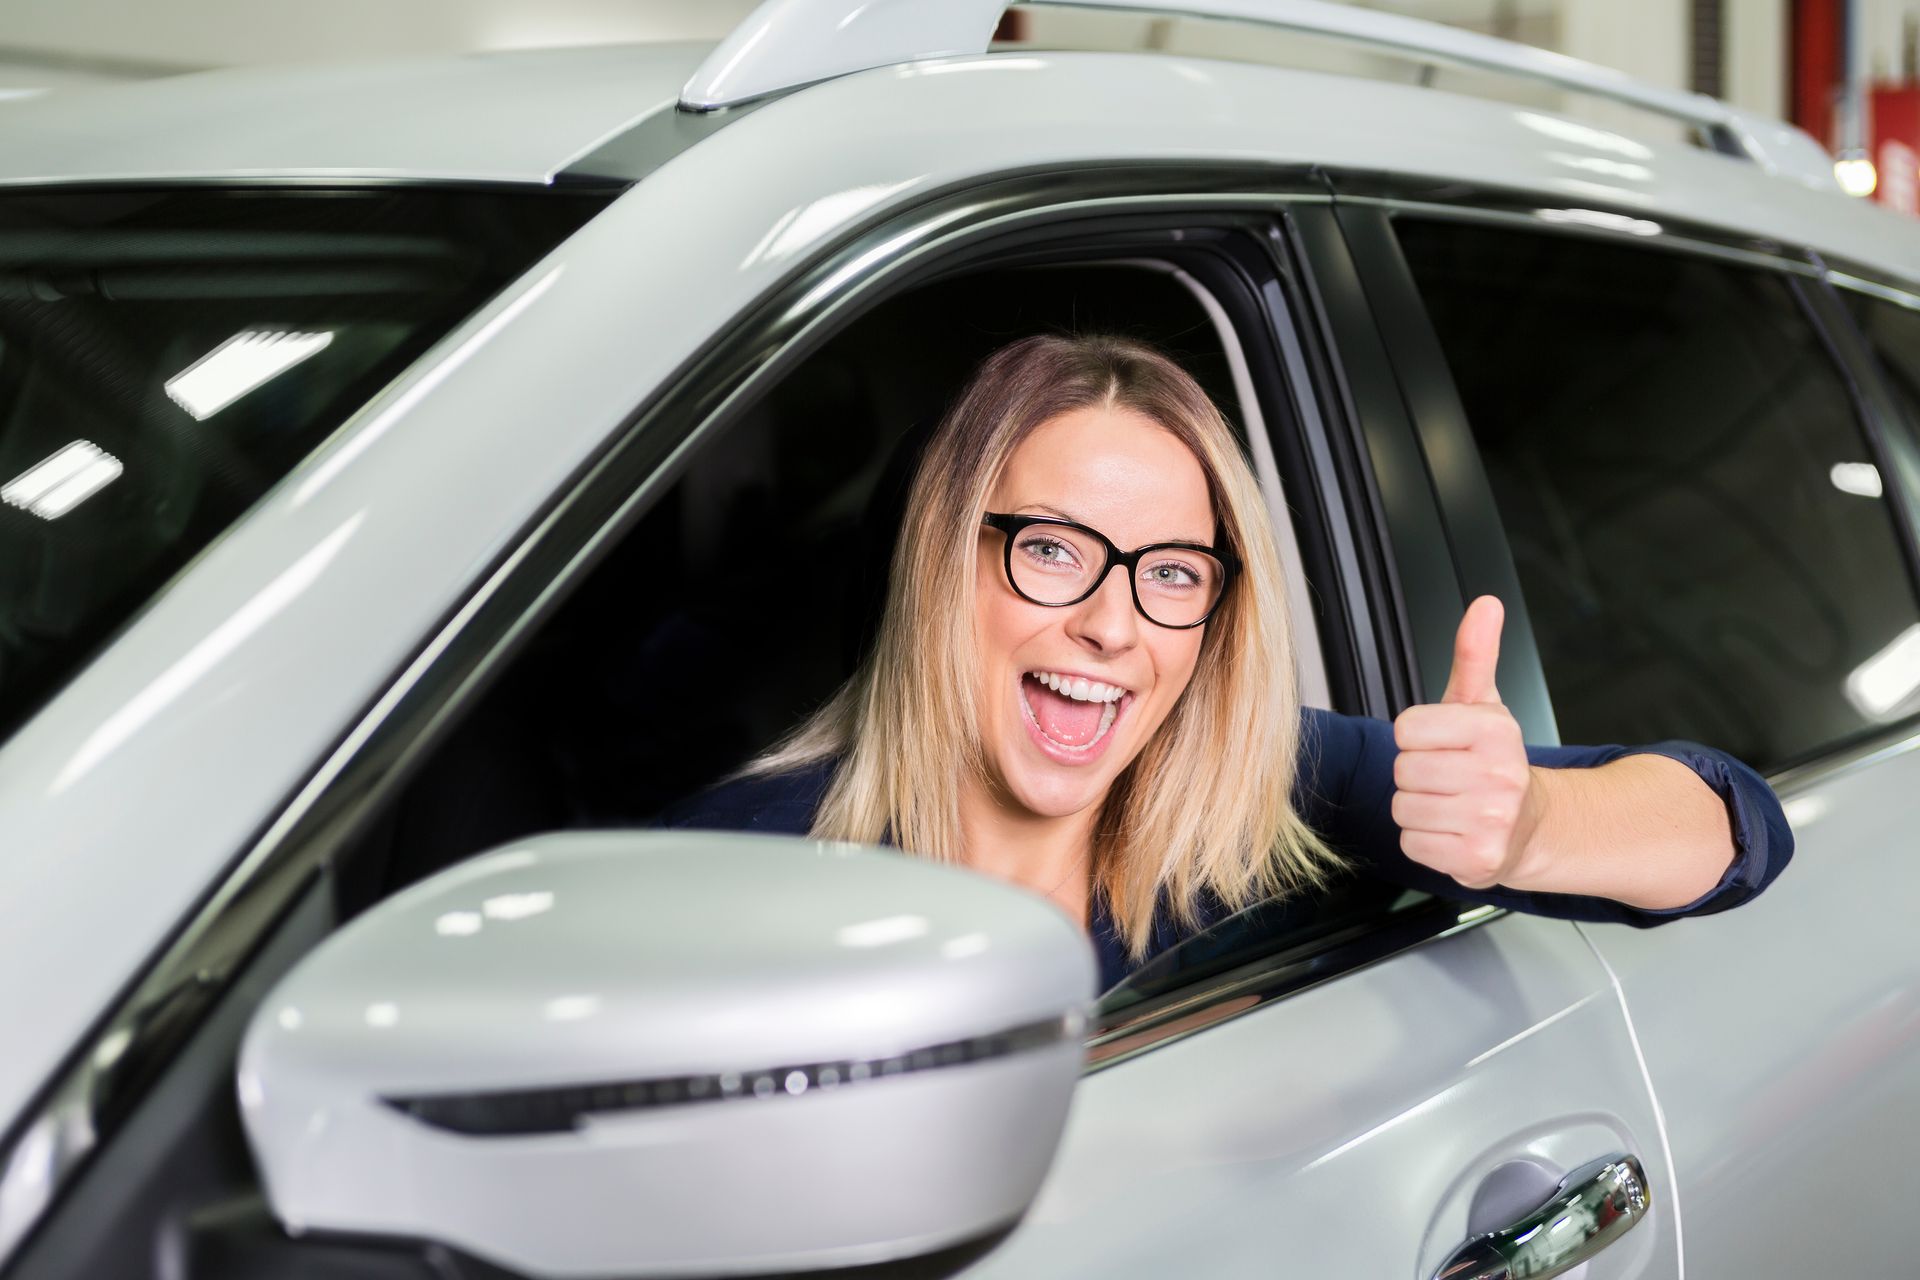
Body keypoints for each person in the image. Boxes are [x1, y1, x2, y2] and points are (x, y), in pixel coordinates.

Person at [666, 333, 1792, 991]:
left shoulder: (1262, 791)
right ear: (940, 562)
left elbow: (1737, 826)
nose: (1114, 625)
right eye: (1054, 550)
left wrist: (1533, 824)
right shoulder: (726, 866)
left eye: (1170, 571)